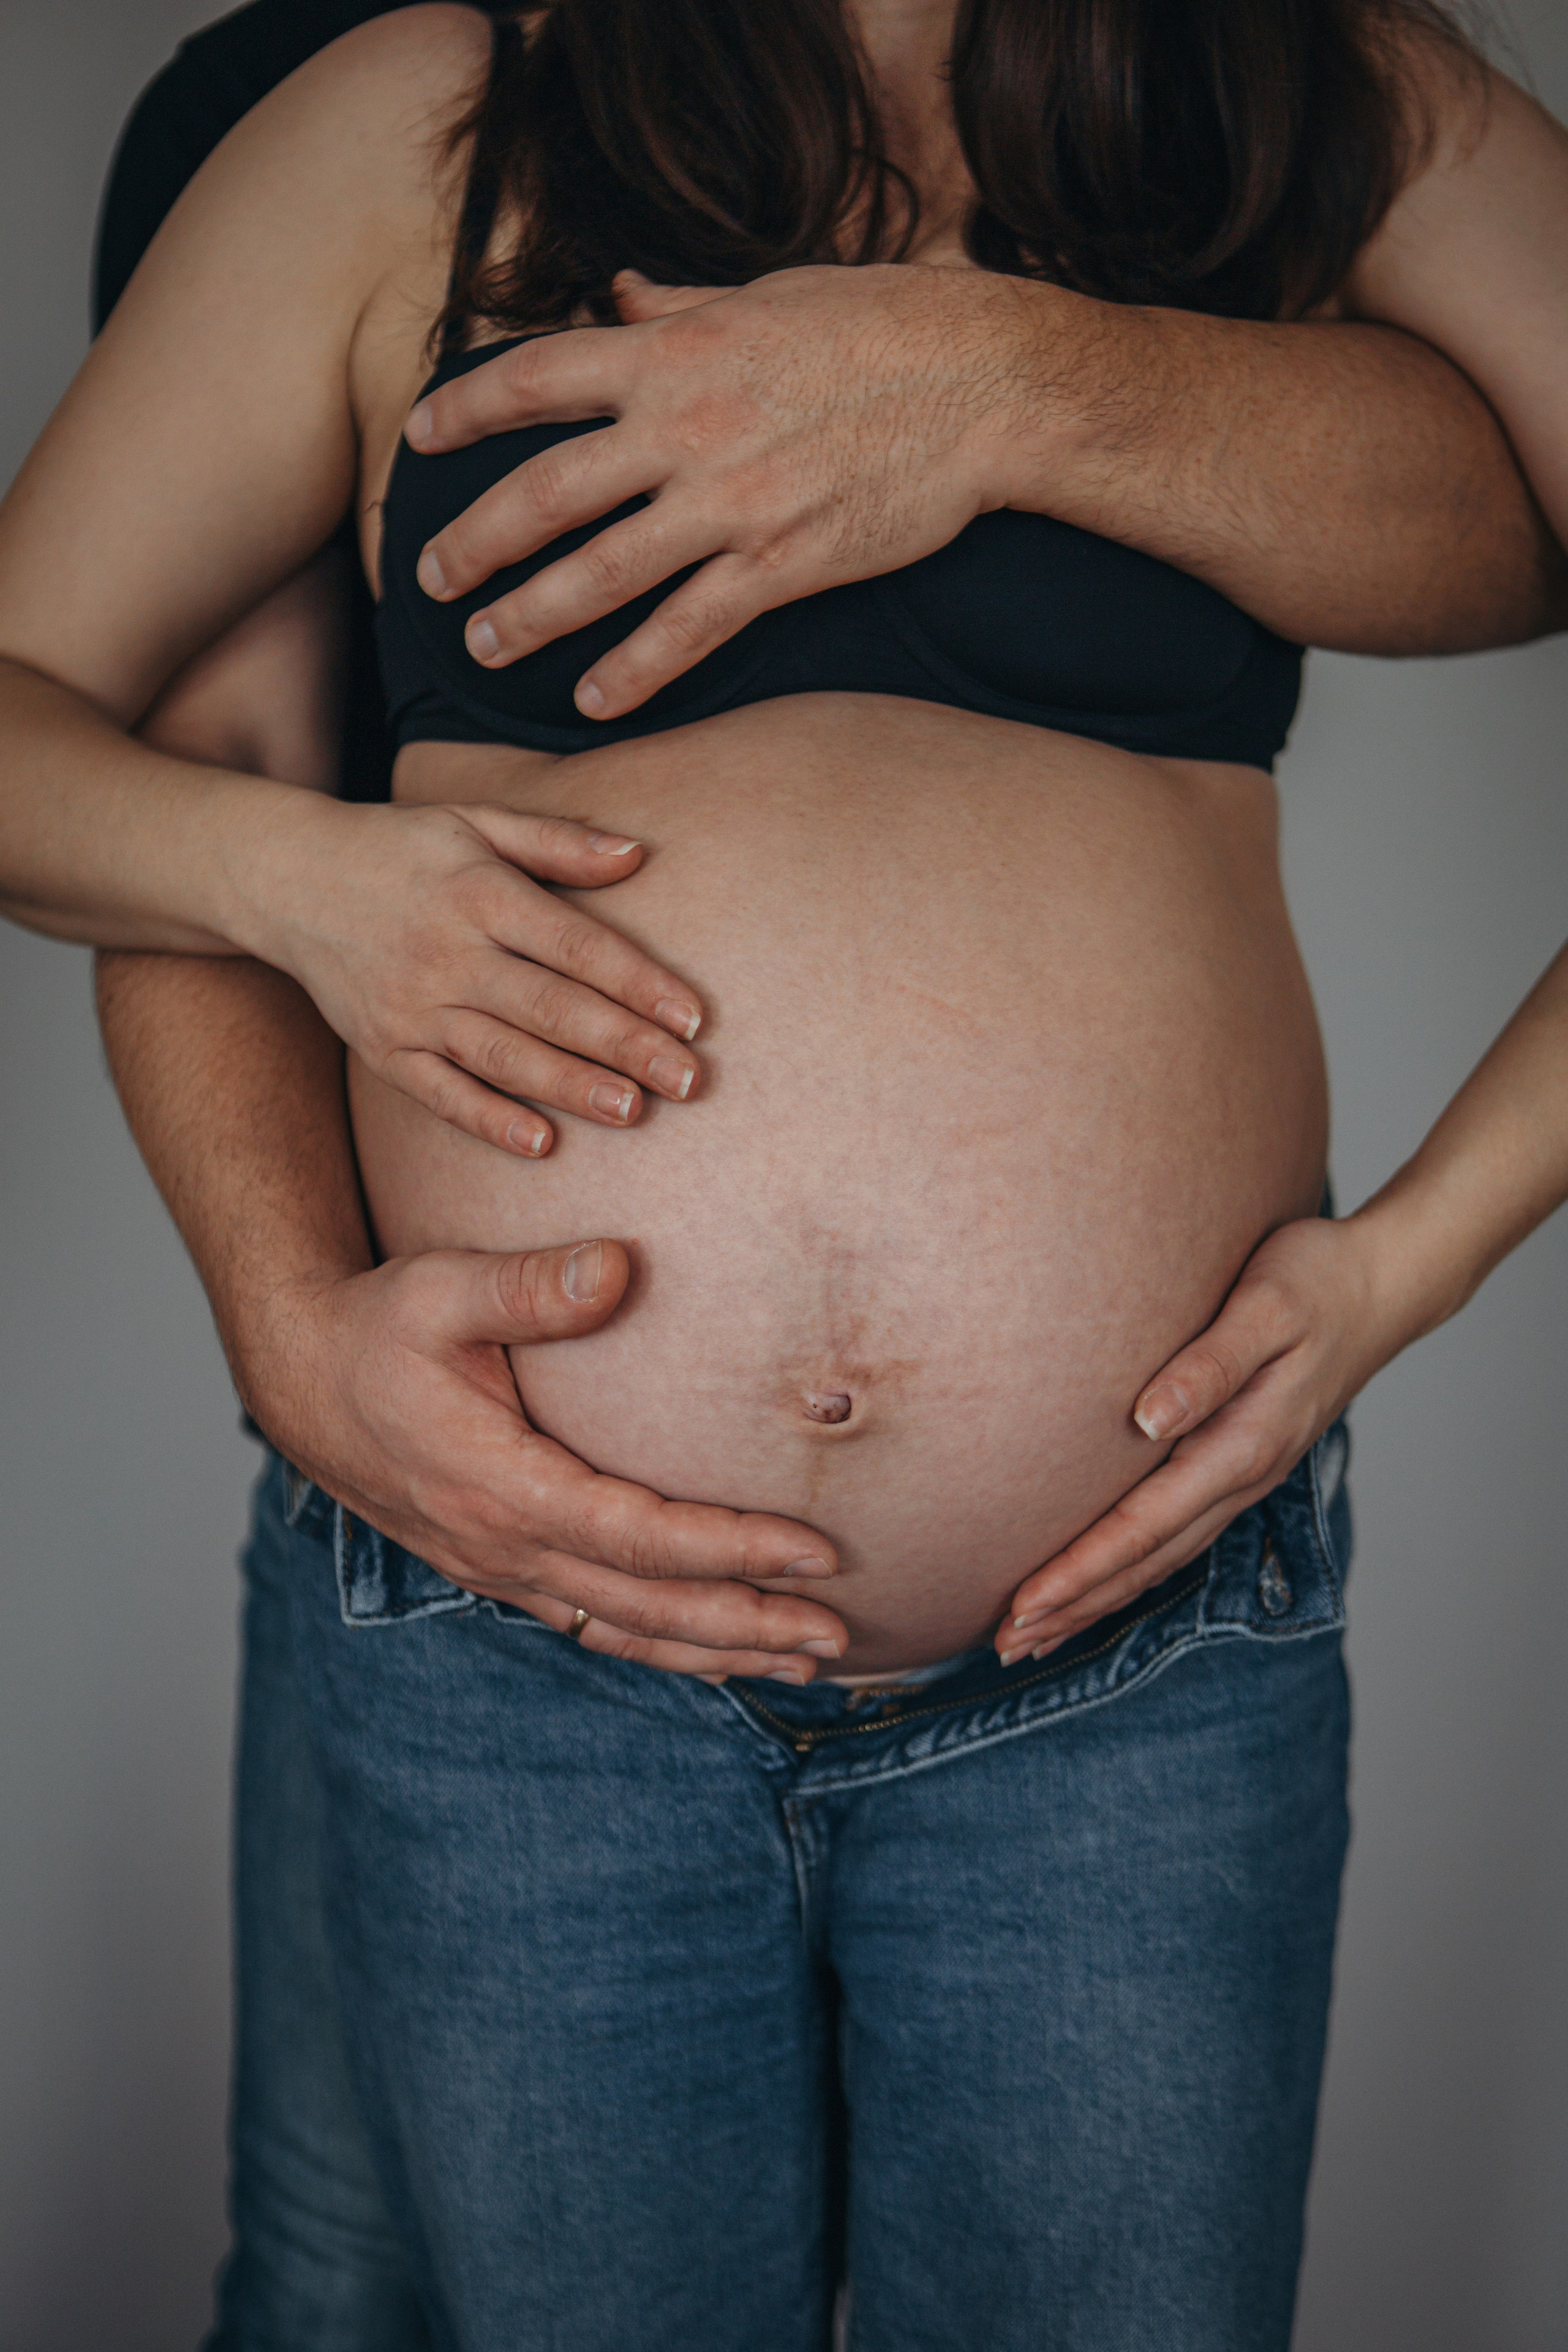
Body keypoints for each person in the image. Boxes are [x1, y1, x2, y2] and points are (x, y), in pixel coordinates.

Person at [2, 1, 1567, 2342]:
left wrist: (1417, 1261)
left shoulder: (1302, 73)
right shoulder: (423, 106)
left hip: (1128, 1661)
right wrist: (290, 880)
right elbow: (60, 706)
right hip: (531, 1648)